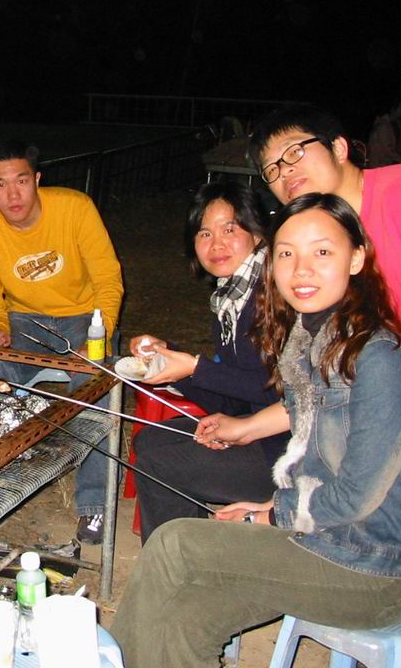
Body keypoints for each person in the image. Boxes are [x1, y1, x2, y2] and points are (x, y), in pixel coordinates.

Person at [111, 193, 401, 667]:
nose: (301, 269)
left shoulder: (379, 358)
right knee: (186, 614)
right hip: (324, 540)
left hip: (374, 567)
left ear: (356, 259)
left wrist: (266, 517)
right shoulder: (317, 337)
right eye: (287, 253)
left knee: (175, 543)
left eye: (321, 251)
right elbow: (308, 437)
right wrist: (266, 500)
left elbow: (355, 498)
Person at [249, 104, 401, 614]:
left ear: (340, 148)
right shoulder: (339, 247)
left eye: (295, 151)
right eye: (272, 168)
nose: (285, 172)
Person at [0, 140, 123, 544]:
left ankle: (94, 503)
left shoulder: (74, 208)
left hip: (86, 316)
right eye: (0, 185)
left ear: (36, 179)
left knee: (95, 384)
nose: (12, 194)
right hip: (25, 320)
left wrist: (100, 333)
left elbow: (108, 278)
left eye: (21, 181)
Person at [127, 182, 285, 542]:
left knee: (159, 464)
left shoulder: (274, 295)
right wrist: (172, 365)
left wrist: (195, 367)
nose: (216, 245)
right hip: (254, 428)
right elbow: (233, 401)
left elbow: (278, 391)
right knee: (151, 441)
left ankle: (172, 560)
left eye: (230, 229)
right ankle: (194, 544)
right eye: (204, 233)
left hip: (285, 450)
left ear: (257, 235)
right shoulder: (229, 301)